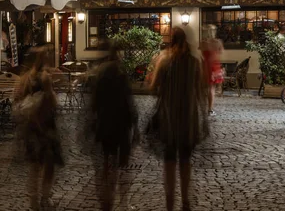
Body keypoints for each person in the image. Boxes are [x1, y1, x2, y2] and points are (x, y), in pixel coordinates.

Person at [151, 28, 208, 211]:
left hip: (168, 118)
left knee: (169, 161)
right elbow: (201, 89)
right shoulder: (194, 62)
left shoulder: (164, 60)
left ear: (171, 41)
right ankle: (185, 202)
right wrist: (204, 116)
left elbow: (153, 88)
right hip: (188, 119)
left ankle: (169, 204)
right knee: (185, 160)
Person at [14, 46, 63, 211]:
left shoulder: (24, 78)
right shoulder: (44, 77)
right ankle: (45, 199)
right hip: (45, 126)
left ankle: (34, 202)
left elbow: (17, 99)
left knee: (35, 167)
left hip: (30, 126)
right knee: (48, 165)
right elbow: (53, 101)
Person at [91, 41, 138, 211]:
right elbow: (128, 100)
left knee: (106, 161)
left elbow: (94, 102)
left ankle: (107, 197)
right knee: (122, 163)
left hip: (105, 122)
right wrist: (135, 123)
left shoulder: (100, 73)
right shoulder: (120, 73)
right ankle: (123, 201)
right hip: (120, 123)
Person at [200, 25, 224, 116]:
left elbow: (201, 55)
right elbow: (220, 53)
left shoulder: (202, 42)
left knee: (204, 88)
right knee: (211, 88)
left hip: (204, 66)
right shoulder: (218, 42)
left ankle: (203, 107)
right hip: (214, 66)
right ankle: (210, 109)